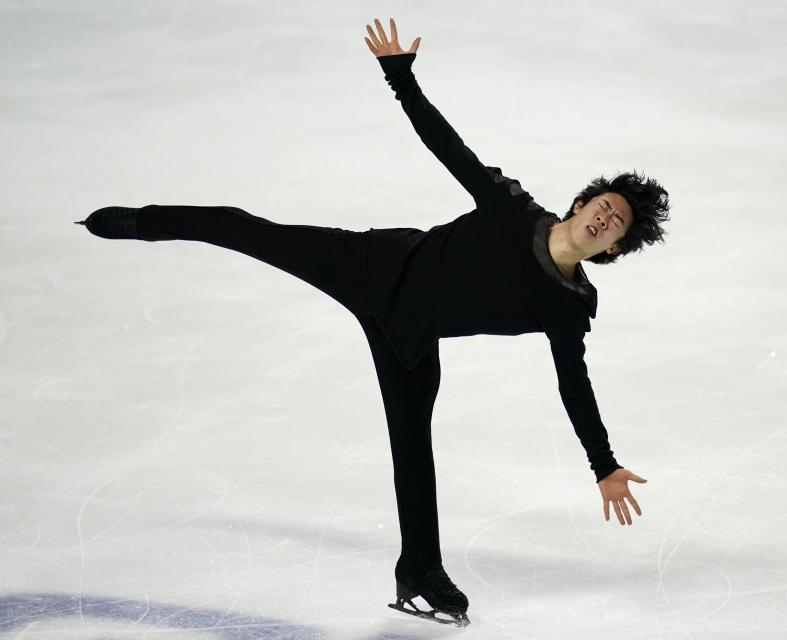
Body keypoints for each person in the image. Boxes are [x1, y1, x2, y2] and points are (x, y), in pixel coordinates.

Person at [75, 17, 670, 628]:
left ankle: (419, 571)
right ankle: (140, 221)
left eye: (616, 224)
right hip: (369, 266)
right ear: (580, 203)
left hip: (408, 339)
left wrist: (603, 465)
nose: (604, 220)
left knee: (414, 450)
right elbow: (448, 146)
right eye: (604, 207)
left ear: (613, 251)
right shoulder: (510, 210)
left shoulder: (567, 305)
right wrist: (400, 79)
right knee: (248, 229)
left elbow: (574, 383)